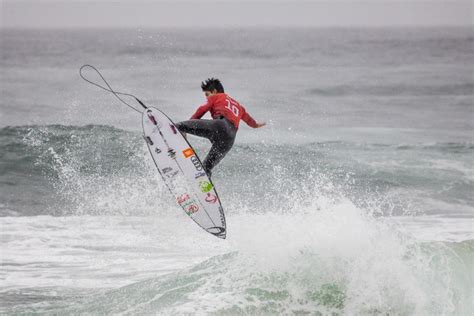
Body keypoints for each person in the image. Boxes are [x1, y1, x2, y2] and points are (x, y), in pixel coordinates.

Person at [175, 78, 265, 177]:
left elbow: (201, 110)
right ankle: (205, 190)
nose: (206, 97)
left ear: (214, 91)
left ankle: (172, 144)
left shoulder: (216, 96)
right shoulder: (239, 106)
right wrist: (256, 125)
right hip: (229, 139)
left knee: (179, 126)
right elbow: (249, 121)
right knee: (206, 168)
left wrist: (188, 125)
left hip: (220, 126)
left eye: (207, 94)